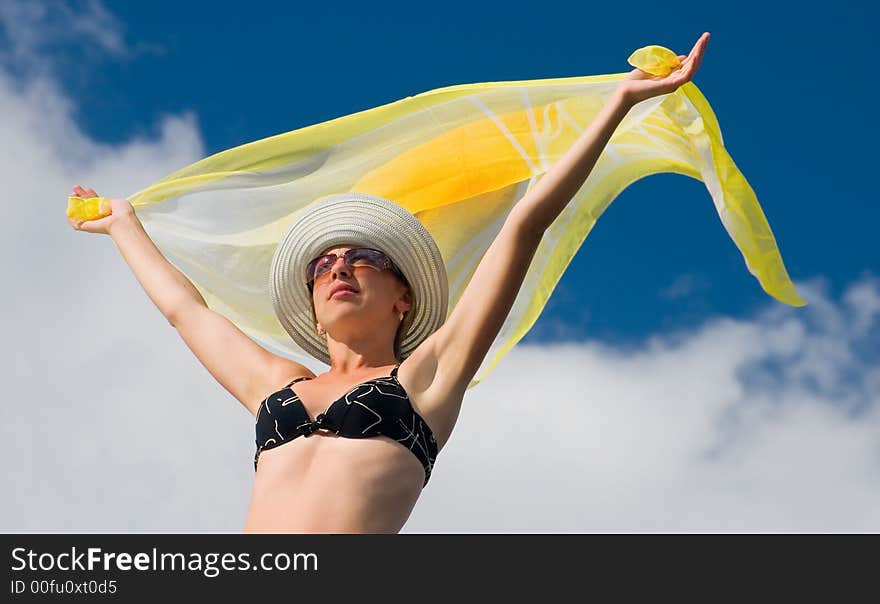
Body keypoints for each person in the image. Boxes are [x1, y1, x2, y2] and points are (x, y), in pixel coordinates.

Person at [68, 33, 709, 533]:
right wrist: (124, 225)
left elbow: (525, 225)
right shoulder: (275, 384)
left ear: (404, 298)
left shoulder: (428, 378)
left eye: (360, 259)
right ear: (314, 312)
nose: (338, 268)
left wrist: (620, 104)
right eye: (323, 265)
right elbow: (185, 311)